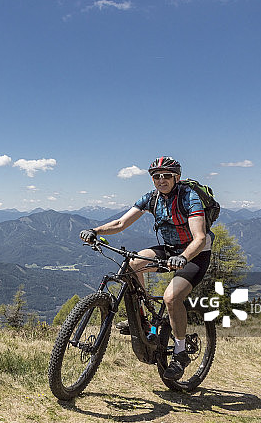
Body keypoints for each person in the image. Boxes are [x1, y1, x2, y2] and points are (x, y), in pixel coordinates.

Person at [79, 156, 213, 381]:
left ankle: (180, 352)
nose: (161, 180)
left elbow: (199, 238)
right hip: (169, 249)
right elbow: (121, 223)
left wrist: (183, 257)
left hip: (195, 253)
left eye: (166, 176)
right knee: (132, 265)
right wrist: (95, 231)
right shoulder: (151, 198)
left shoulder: (189, 197)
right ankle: (143, 321)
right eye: (156, 176)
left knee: (171, 298)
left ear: (177, 177)